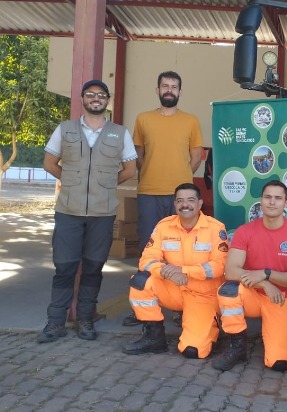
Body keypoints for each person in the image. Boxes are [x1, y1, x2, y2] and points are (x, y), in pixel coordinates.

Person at [37, 80, 137, 343]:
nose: (96, 99)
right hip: (69, 210)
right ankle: (55, 322)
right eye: (91, 94)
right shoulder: (65, 129)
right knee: (64, 267)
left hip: (102, 214)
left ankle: (85, 319)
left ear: (107, 100)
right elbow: (49, 162)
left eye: (101, 95)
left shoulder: (119, 133)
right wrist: (71, 181)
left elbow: (130, 170)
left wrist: (105, 185)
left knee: (93, 267)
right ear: (83, 98)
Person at [124, 70, 203, 327]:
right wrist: (153, 172)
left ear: (180, 91)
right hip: (148, 191)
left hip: (180, 196)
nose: (169, 89)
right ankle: (144, 305)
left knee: (183, 252)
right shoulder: (143, 119)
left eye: (174, 86)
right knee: (149, 250)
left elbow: (195, 157)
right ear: (157, 90)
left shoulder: (191, 121)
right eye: (165, 85)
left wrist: (179, 176)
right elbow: (139, 154)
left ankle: (184, 305)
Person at [212, 180, 287, 372]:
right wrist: (265, 283)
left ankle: (284, 337)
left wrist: (266, 274)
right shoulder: (245, 231)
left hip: (280, 298)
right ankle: (237, 347)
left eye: (277, 198)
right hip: (252, 294)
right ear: (261, 201)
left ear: (286, 203)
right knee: (228, 291)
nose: (272, 202)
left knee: (279, 363)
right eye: (268, 197)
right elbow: (231, 271)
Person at [122, 183, 227, 358]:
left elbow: (219, 267)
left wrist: (183, 271)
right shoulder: (164, 226)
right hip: (173, 288)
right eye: (180, 201)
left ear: (200, 203)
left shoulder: (215, 228)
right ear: (175, 204)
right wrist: (163, 271)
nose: (185, 205)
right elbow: (146, 260)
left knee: (193, 351)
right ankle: (154, 337)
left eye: (190, 200)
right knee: (140, 282)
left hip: (203, 295)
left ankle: (211, 324)